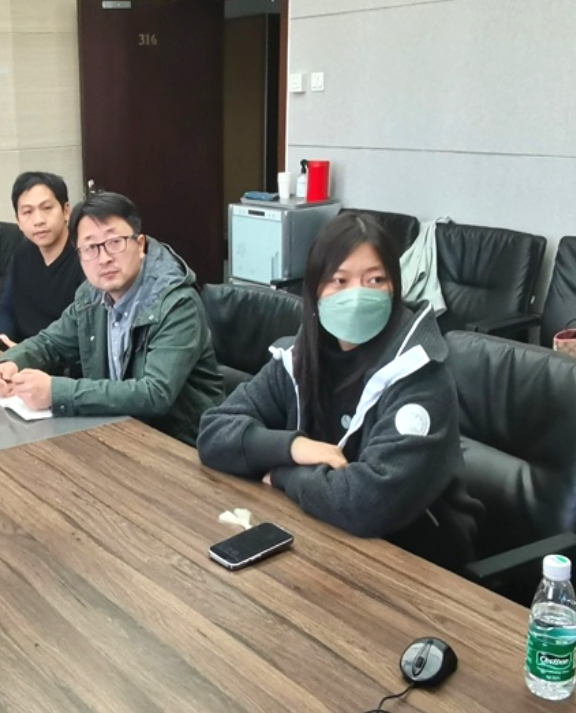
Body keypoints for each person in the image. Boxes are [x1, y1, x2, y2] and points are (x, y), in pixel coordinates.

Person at [197, 214, 477, 569]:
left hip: (416, 563)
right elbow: (214, 433)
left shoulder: (421, 372)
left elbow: (368, 503)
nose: (357, 296)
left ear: (394, 288)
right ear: (315, 291)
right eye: (339, 281)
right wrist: (294, 447)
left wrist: (283, 474)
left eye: (375, 280)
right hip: (320, 536)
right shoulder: (301, 357)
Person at [0, 191, 225, 445]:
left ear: (140, 245)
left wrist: (56, 393)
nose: (104, 258)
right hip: (117, 431)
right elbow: (51, 343)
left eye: (114, 242)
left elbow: (155, 393)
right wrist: (12, 362)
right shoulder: (91, 294)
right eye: (90, 247)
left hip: (183, 444)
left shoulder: (176, 303)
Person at [0, 171, 84, 350]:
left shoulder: (85, 258)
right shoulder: (21, 255)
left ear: (66, 211)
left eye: (47, 208)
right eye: (27, 212)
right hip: (20, 353)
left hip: (63, 358)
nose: (38, 220)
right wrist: (2, 341)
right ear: (18, 221)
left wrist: (29, 355)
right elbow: (6, 309)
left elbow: (82, 330)